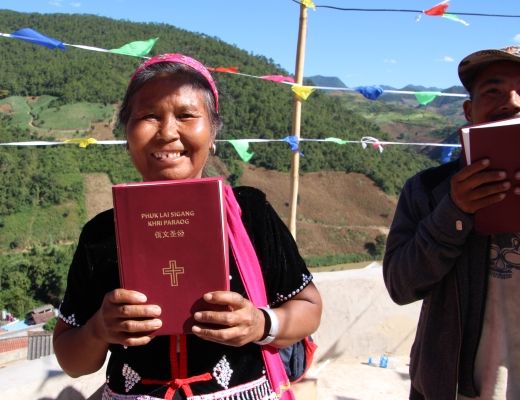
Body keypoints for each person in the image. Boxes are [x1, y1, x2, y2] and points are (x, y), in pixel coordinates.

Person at [53, 54, 322, 400]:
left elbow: (309, 307)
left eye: (187, 115)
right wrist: (98, 330)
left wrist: (260, 324)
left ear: (212, 133)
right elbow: (72, 361)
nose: (167, 132)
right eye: (149, 115)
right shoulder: (102, 234)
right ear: (126, 134)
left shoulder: (249, 213)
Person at [383, 45, 520, 400]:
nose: (512, 102)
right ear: (469, 112)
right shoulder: (427, 190)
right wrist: (454, 211)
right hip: (453, 389)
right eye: (494, 91)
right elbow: (400, 286)